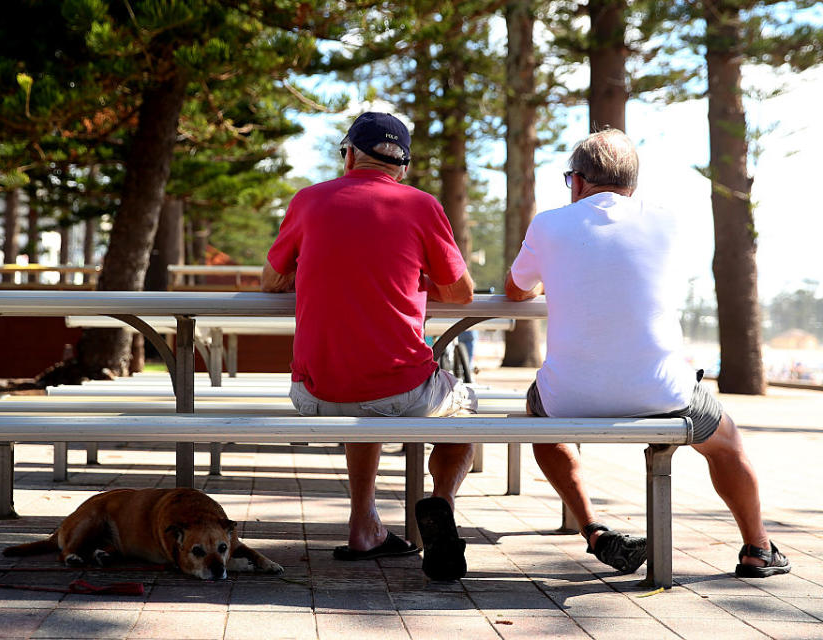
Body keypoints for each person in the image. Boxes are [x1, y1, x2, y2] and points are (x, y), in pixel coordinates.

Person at [504, 128, 791, 578]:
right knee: (727, 443)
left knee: (541, 421)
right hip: (664, 394)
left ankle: (593, 529)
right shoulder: (667, 220)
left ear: (577, 181)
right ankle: (758, 548)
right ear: (632, 184)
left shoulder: (548, 224)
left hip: (569, 396)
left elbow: (515, 292)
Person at [262, 112, 477, 581]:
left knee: (362, 395)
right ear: (401, 167)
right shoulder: (421, 205)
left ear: (349, 155)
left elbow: (272, 280)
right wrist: (414, 281)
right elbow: (462, 293)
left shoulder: (307, 201)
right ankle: (440, 504)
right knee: (466, 408)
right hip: (401, 388)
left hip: (315, 394)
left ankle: (364, 527)